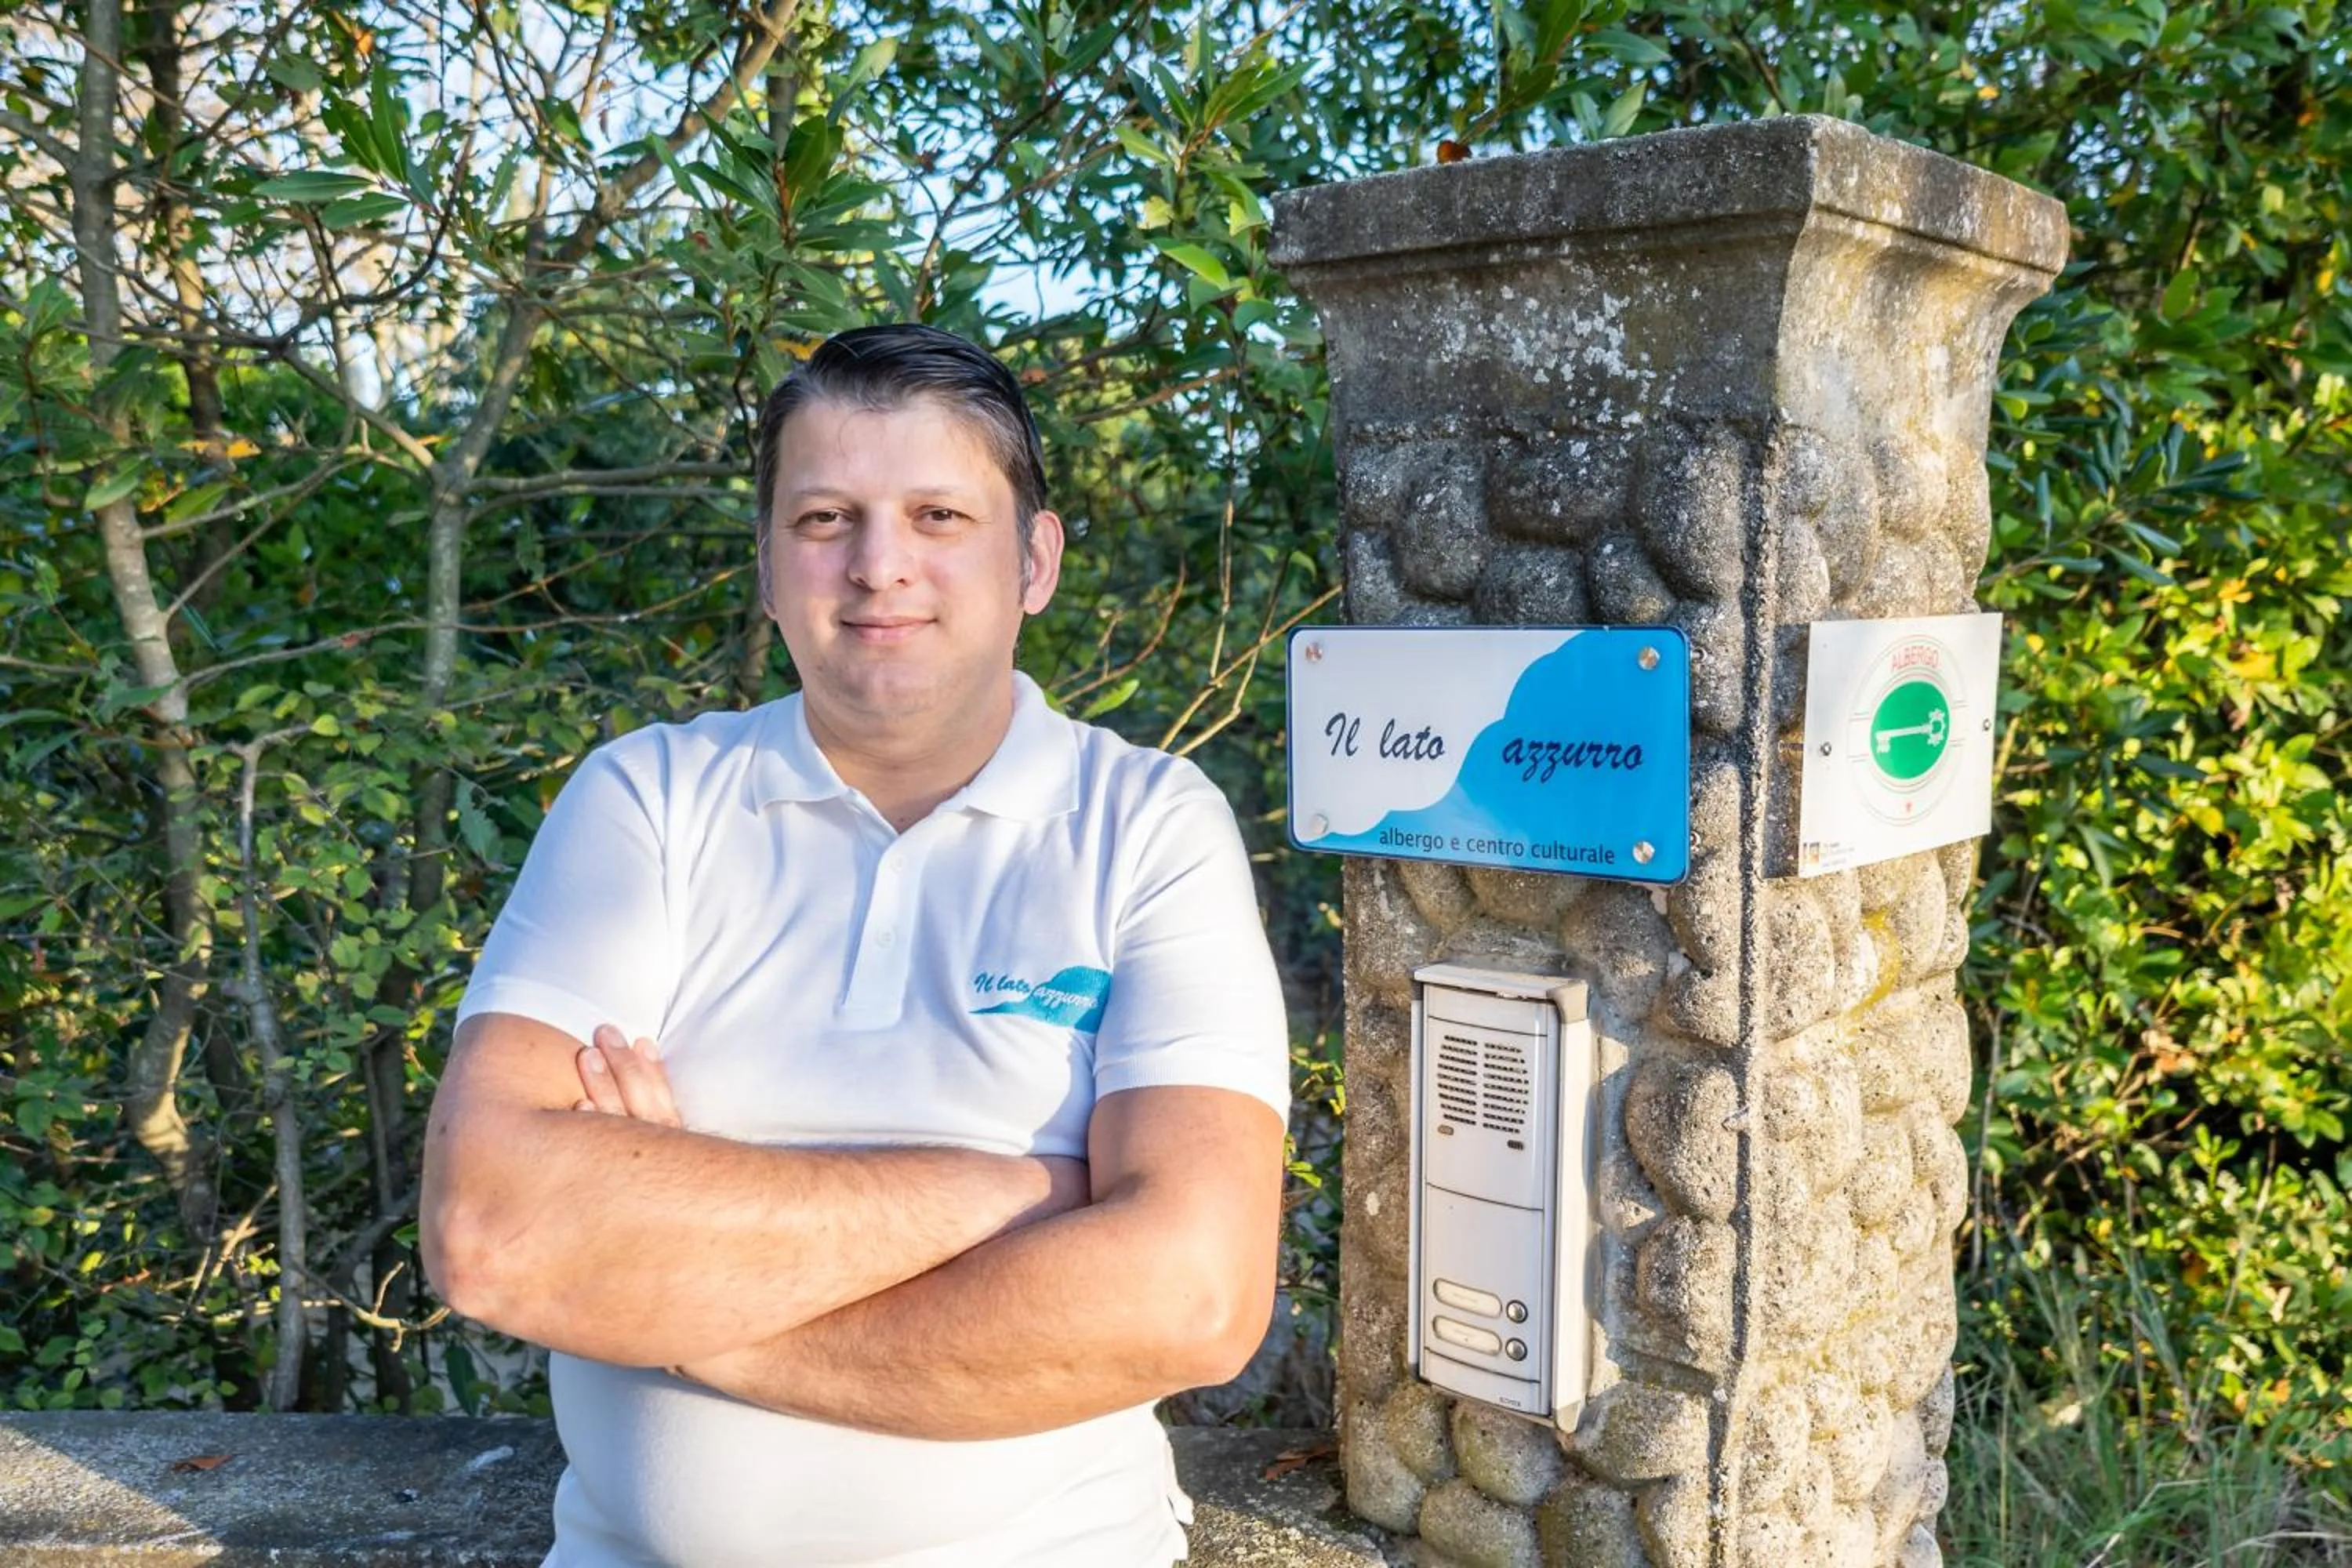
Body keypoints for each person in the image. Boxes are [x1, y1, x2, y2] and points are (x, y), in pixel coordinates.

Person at [419, 324, 1292, 1567]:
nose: (881, 567)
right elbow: (494, 1230)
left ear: (1033, 559)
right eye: (827, 519)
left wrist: (671, 1296)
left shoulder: (1148, 826)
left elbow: (1192, 1297)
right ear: (770, 567)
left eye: (939, 515)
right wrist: (1024, 1193)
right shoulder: (649, 799)